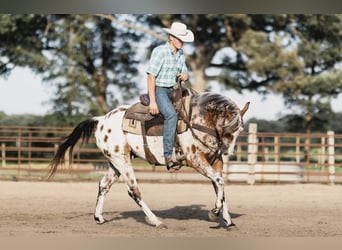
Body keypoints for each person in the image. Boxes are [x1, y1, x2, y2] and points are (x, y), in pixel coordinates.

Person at [146, 21, 194, 170]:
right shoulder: (159, 51)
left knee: (190, 112)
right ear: (171, 37)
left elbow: (183, 71)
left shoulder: (180, 54)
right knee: (172, 116)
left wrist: (185, 75)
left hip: (174, 90)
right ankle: (168, 155)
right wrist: (153, 101)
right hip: (160, 89)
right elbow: (151, 76)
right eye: (179, 39)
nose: (182, 42)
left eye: (183, 39)